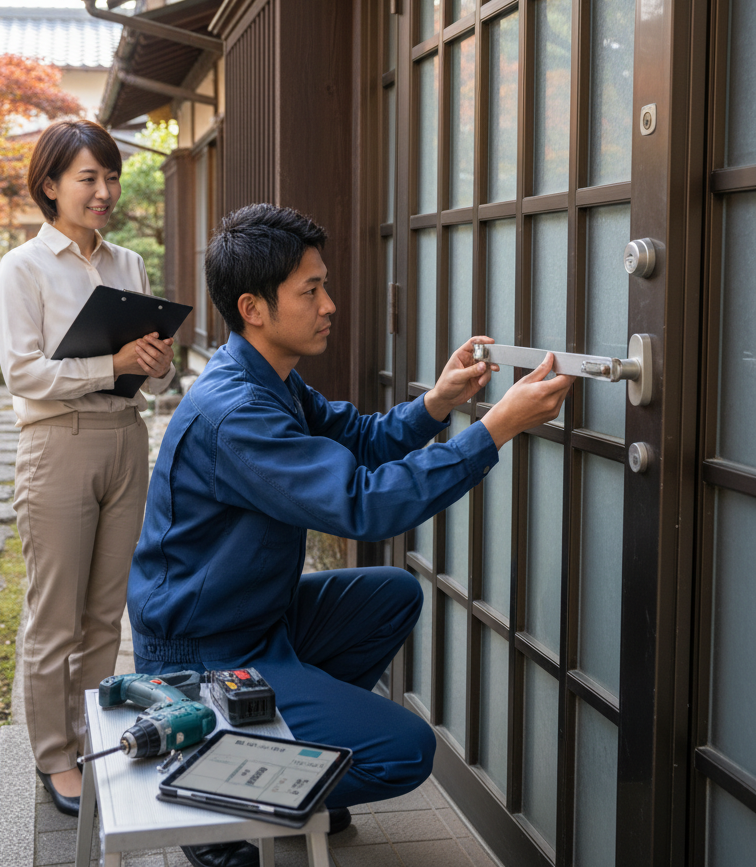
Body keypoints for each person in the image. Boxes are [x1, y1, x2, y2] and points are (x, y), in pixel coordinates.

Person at [127, 203, 571, 867]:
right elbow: (364, 505)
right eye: (311, 291)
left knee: (392, 595)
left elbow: (359, 439)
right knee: (404, 751)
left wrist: (438, 403)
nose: (329, 305)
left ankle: (294, 767)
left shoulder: (267, 377)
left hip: (254, 621)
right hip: (202, 654)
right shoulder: (237, 411)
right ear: (253, 308)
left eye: (324, 286)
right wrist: (494, 429)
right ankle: (218, 799)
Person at [0, 120, 175, 817]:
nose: (104, 192)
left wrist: (152, 365)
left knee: (105, 615)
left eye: (111, 177)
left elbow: (150, 377)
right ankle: (53, 757)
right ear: (50, 185)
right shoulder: (24, 268)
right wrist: (111, 363)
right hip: (57, 444)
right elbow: (23, 372)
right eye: (88, 178)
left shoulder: (129, 263)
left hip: (126, 438)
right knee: (55, 618)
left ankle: (93, 736)